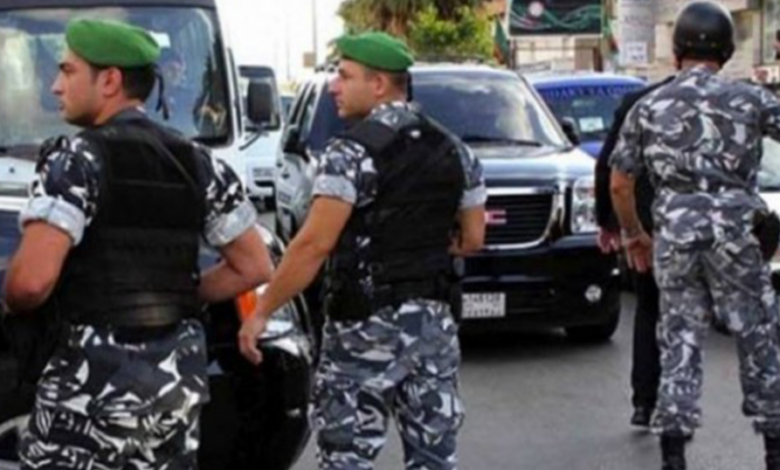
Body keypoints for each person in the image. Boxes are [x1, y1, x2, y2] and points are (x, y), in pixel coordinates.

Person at [3, 19, 271, 469]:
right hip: (173, 391)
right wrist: (177, 296)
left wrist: (11, 304)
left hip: (90, 390)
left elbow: (30, 283)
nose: (55, 86)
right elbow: (255, 266)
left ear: (109, 81)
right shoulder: (197, 161)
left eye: (68, 71)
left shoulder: (77, 160)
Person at [237, 32, 486, 470]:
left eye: (345, 76)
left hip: (362, 331)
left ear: (379, 84)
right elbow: (472, 239)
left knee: (346, 457)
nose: (334, 86)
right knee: (433, 458)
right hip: (433, 329)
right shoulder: (455, 150)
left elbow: (313, 245)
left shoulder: (351, 153)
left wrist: (262, 312)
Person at [610, 2, 780, 469]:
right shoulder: (751, 99)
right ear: (727, 51)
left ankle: (673, 451)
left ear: (676, 49)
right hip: (736, 238)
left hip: (675, 240)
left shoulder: (649, 105)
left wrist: (635, 235)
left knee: (679, 338)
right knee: (758, 335)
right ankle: (774, 447)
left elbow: (620, 182)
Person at [595, 75, 673, 428]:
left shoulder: (639, 102)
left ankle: (644, 401)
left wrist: (609, 223)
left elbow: (609, 166)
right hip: (705, 231)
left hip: (647, 224)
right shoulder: (726, 100)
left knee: (649, 308)